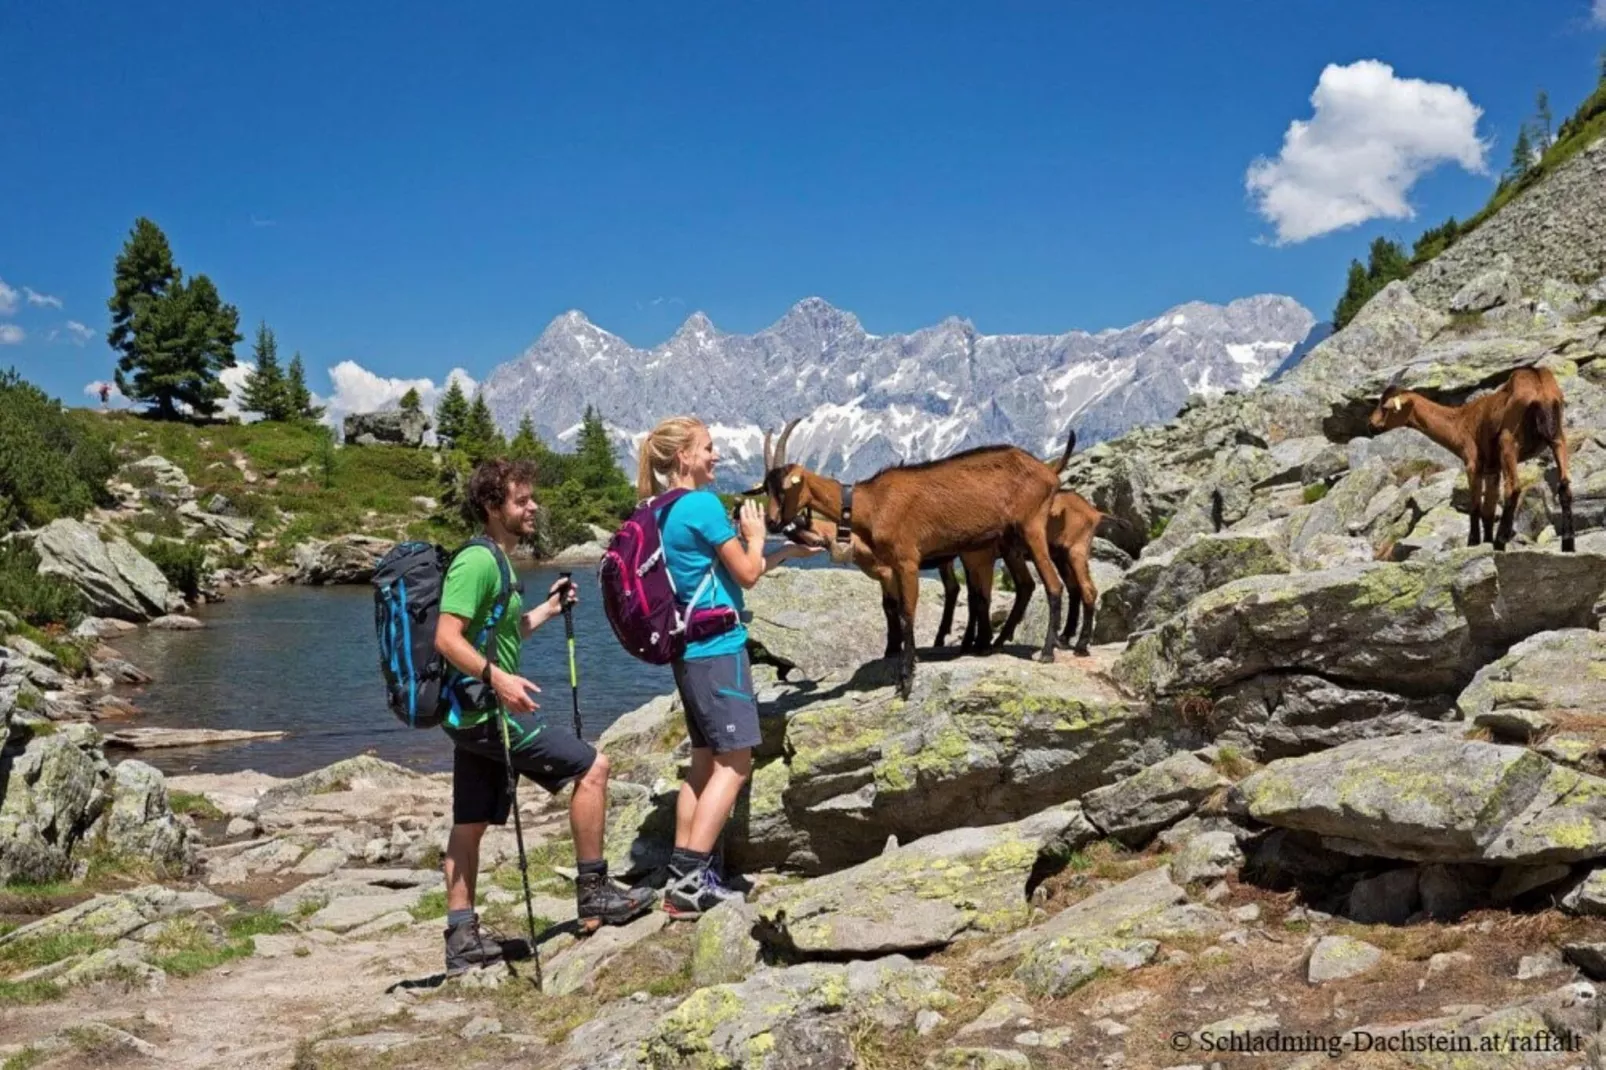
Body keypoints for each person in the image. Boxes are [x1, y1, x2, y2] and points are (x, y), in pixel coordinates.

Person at [433, 457, 655, 974]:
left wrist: (547, 612)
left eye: (532, 498)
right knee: (592, 767)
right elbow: (448, 638)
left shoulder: (499, 560)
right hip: (491, 712)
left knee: (469, 824)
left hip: (470, 713)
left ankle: (461, 939)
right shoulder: (478, 562)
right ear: (493, 508)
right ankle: (595, 892)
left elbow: (501, 635)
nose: (533, 507)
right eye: (521, 500)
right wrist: (500, 679)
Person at [636, 417, 820, 918]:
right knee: (736, 763)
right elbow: (747, 573)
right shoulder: (699, 504)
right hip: (718, 650)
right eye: (709, 449)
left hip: (688, 652)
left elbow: (727, 574)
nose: (715, 457)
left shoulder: (658, 509)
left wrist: (784, 551)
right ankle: (692, 882)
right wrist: (756, 534)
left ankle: (682, 874)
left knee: (702, 765)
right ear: (683, 458)